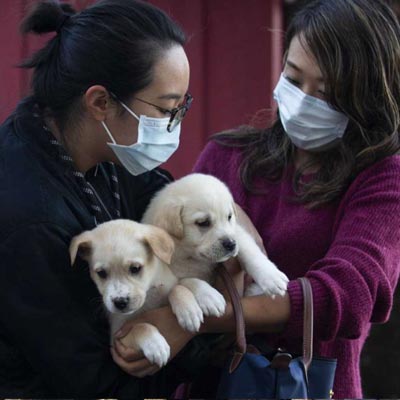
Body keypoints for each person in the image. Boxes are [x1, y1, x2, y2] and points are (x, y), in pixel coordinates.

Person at [111, 0, 400, 398]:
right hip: (208, 385)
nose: (304, 100)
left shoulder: (382, 177)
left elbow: (348, 296)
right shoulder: (228, 156)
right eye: (294, 79)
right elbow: (174, 261)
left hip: (305, 386)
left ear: (366, 98)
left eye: (329, 94)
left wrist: (196, 320)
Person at [0, 0, 199, 397]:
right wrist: (200, 331)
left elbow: (176, 201)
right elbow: (94, 380)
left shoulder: (95, 148)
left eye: (181, 108)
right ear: (100, 103)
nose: (173, 125)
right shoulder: (31, 217)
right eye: (165, 109)